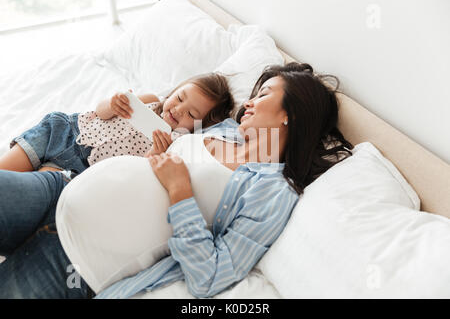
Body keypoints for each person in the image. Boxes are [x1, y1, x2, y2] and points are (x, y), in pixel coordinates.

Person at [0, 62, 353, 299]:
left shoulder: (273, 191)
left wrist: (180, 189)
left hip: (74, 261)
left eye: (263, 95)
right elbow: (175, 109)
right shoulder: (225, 130)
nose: (249, 102)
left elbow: (210, 275)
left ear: (290, 115)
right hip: (60, 190)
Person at [0, 72, 234, 174]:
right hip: (66, 131)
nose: (178, 109)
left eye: (192, 114)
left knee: (30, 191)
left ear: (200, 127)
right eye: (180, 97)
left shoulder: (175, 143)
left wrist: (154, 153)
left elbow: (135, 172)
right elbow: (100, 112)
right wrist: (113, 103)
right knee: (5, 173)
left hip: (81, 168)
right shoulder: (152, 101)